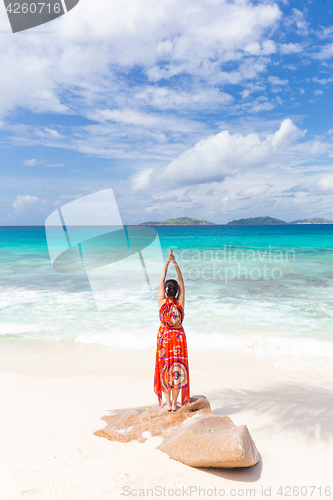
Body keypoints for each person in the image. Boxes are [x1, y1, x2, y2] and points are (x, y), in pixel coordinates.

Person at [153, 249, 190, 412]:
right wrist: (175, 264)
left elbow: (161, 280)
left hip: (164, 338)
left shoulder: (162, 303)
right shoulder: (180, 303)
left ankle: (167, 404)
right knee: (177, 369)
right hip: (178, 339)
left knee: (165, 369)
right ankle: (175, 404)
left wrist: (166, 263)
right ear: (176, 292)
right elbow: (181, 281)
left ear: (166, 291)